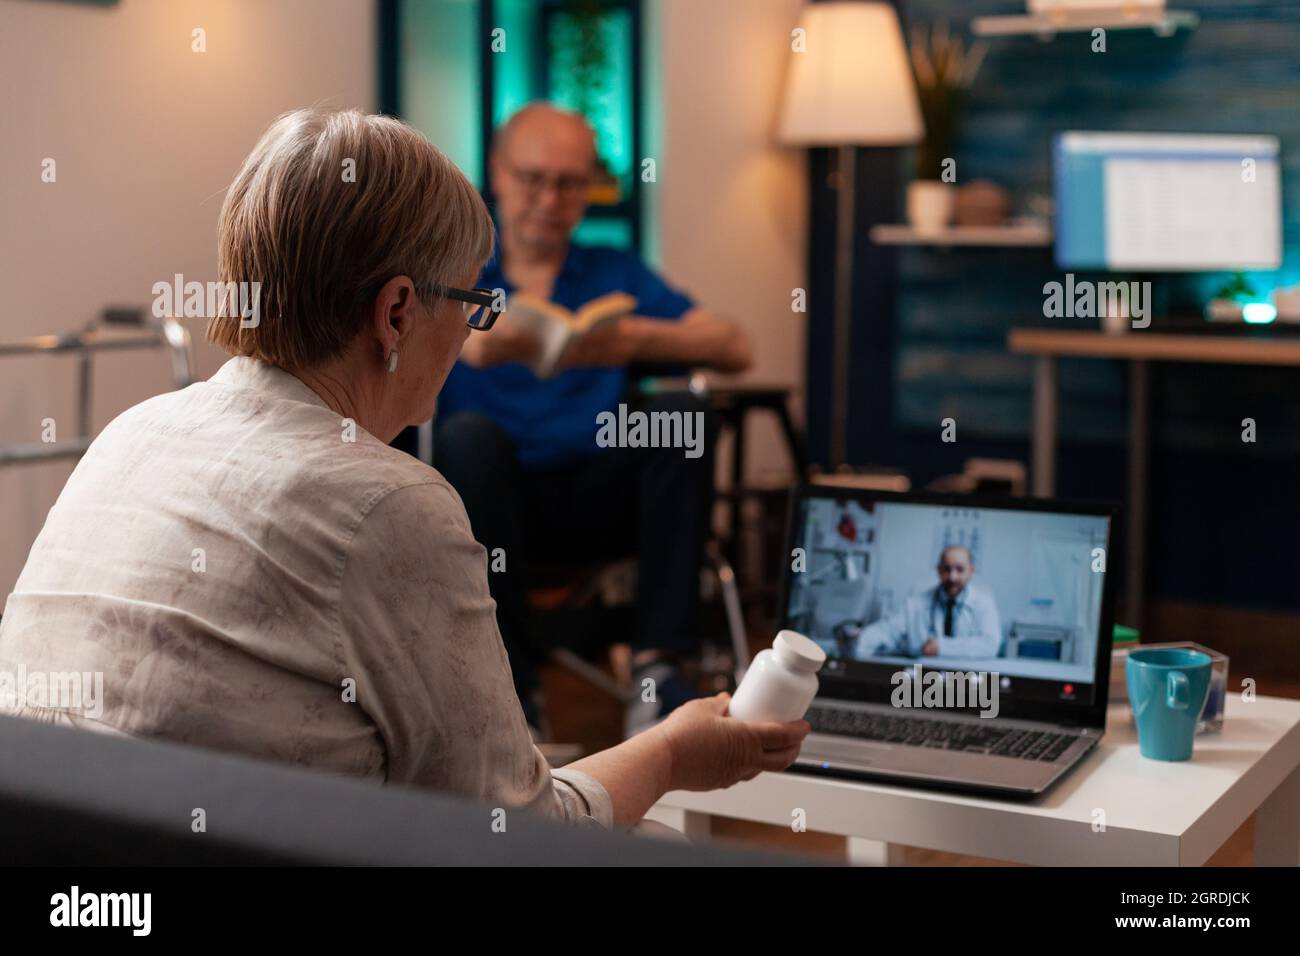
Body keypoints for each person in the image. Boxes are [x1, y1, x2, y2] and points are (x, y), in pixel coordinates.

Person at [0, 108, 807, 831]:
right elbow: (517, 838)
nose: (468, 335)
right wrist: (671, 756)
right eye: (470, 306)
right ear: (395, 313)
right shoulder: (382, 501)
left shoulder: (125, 434)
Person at [431, 103, 753, 734]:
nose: (550, 199)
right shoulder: (456, 268)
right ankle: (512, 694)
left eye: (571, 183)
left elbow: (735, 347)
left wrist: (634, 338)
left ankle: (659, 670)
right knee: (466, 438)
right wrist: (476, 339)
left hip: (600, 496)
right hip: (489, 504)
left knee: (682, 414)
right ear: (497, 173)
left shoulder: (613, 271)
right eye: (533, 179)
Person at [855, 546, 1002, 659]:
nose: (952, 577)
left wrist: (941, 647)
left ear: (971, 571)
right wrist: (856, 641)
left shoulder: (984, 603)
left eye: (960, 569)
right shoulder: (915, 603)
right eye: (946, 569)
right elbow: (886, 631)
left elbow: (991, 645)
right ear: (938, 570)